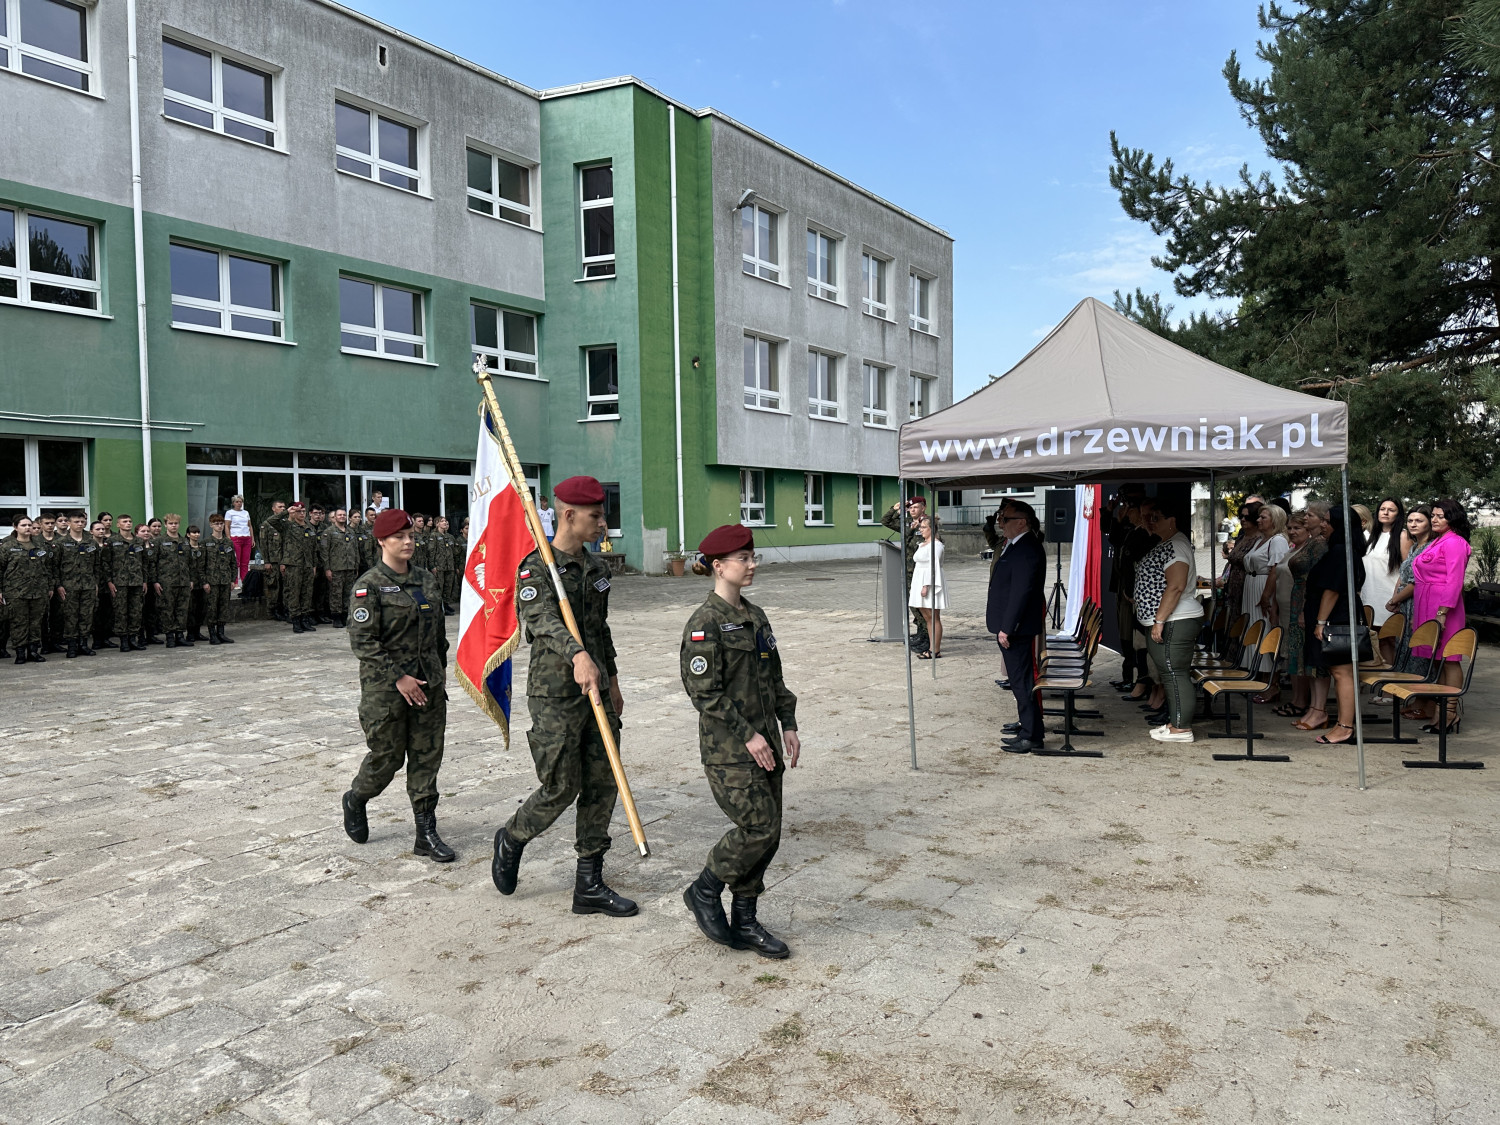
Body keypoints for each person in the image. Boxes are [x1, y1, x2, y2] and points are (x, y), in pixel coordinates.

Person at [491, 476, 636, 917]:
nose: (603, 524)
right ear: (569, 515)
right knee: (561, 786)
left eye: (603, 515)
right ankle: (513, 836)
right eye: (595, 516)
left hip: (596, 688)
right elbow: (543, 623)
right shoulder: (535, 569)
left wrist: (610, 676)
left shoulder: (597, 569)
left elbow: (600, 628)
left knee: (603, 780)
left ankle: (589, 881)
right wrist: (578, 657)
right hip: (556, 693)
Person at [680, 524, 800, 958]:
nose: (752, 565)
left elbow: (774, 677)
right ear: (718, 566)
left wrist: (787, 722)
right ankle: (705, 889)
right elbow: (703, 692)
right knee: (758, 827)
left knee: (770, 834)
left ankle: (745, 920)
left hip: (766, 742)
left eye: (753, 557)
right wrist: (748, 735)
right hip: (730, 750)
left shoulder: (755, 616)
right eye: (743, 558)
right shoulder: (704, 623)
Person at [342, 508, 454, 862]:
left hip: (427, 686)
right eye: (399, 537)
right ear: (381, 542)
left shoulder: (426, 579)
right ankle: (357, 797)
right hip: (387, 692)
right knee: (387, 759)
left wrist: (438, 672)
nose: (408, 542)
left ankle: (426, 833)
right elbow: (364, 642)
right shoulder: (369, 586)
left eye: (410, 536)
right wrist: (399, 677)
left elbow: (438, 635)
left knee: (426, 757)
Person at [1135, 497, 1203, 742]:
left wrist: (1160, 620)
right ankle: (1175, 721)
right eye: (1149, 518)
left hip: (1176, 618)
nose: (1151, 522)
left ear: (1172, 520)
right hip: (1170, 618)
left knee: (1175, 673)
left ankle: (1182, 728)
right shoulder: (1169, 543)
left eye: (1156, 518)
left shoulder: (1177, 546)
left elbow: (1175, 586)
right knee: (1169, 673)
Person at [987, 500, 1048, 753]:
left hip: (1017, 628)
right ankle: (1029, 729)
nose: (1001, 523)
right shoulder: (1017, 545)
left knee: (1021, 682)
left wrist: (1007, 627)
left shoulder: (1026, 549)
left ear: (1022, 522)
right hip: (1014, 626)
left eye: (1006, 519)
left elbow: (1021, 593)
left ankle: (1031, 735)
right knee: (1019, 681)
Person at [1303, 504, 1367, 744]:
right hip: (1338, 616)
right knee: (1341, 673)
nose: (1323, 524)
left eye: (1327, 521)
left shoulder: (1341, 551)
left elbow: (1332, 590)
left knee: (1342, 674)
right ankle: (1344, 724)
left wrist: (1320, 622)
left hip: (1338, 618)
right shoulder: (1343, 550)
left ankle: (1345, 727)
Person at [1411, 498, 1472, 731]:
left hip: (1444, 606)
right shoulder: (1439, 541)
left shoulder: (1454, 542)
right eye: (1434, 515)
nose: (1435, 519)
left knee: (1450, 659)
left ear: (1452, 518)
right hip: (1428, 602)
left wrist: (1443, 611)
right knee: (1437, 661)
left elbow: (1454, 580)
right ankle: (1439, 713)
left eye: (1440, 516)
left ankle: (1449, 713)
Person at [1385, 505, 1434, 693]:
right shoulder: (1415, 546)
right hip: (1404, 603)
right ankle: (1406, 693)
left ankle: (1419, 695)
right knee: (1403, 647)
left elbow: (1416, 583)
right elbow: (1403, 575)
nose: (1413, 524)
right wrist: (1395, 598)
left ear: (1429, 523)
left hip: (1417, 602)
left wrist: (1394, 600)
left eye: (1419, 520)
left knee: (1417, 651)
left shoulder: (1430, 547)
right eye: (1411, 520)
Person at [1, 517, 60, 663]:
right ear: (15, 527)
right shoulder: (7, 547)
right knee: (18, 622)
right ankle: (20, 652)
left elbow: (49, 568)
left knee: (36, 623)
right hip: (16, 592)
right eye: (23, 525)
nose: (27, 528)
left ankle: (33, 651)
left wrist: (50, 586)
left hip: (38, 591)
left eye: (29, 525)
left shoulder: (41, 546)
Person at [1241, 503, 1290, 668]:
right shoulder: (1262, 540)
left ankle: (1269, 678)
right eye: (1259, 517)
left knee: (1264, 629)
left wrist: (1265, 596)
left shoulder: (1277, 541)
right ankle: (1254, 670)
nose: (1258, 520)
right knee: (1252, 628)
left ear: (1274, 520)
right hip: (1252, 586)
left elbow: (1276, 570)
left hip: (1263, 587)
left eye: (1263, 517)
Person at [883, 495, 930, 654]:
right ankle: (921, 633)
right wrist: (896, 509)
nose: (911, 511)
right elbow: (886, 521)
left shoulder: (928, 523)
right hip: (910, 570)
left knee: (921, 605)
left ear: (923, 507)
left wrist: (913, 529)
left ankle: (927, 637)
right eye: (909, 508)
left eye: (915, 507)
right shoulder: (908, 523)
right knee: (913, 604)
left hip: (921, 570)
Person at [1362, 498, 1405, 660]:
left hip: (1389, 597)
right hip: (1369, 596)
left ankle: (1390, 679)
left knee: (1388, 640)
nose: (1385, 512)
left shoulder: (1402, 536)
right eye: (1382, 509)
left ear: (1398, 514)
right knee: (1372, 639)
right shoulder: (1373, 536)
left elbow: (1406, 571)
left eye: (1391, 510)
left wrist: (1396, 598)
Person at [58, 512, 100, 658]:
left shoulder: (91, 543)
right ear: (69, 523)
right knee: (71, 616)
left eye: (82, 521)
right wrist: (58, 585)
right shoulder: (61, 543)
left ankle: (83, 644)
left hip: (88, 585)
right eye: (76, 521)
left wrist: (96, 583)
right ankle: (71, 646)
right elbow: (55, 566)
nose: (80, 524)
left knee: (86, 616)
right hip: (69, 586)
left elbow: (97, 565)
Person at [105, 515, 147, 652]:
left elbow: (145, 562)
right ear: (118, 525)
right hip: (119, 582)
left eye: (130, 521)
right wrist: (109, 581)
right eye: (125, 522)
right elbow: (106, 563)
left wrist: (144, 580)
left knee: (136, 611)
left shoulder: (139, 541)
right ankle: (123, 640)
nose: (128, 524)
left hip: (136, 581)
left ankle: (132, 639)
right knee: (121, 611)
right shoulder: (111, 541)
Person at [155, 513, 196, 648]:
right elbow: (152, 563)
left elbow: (190, 562)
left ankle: (179, 635)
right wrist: (155, 581)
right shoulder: (159, 541)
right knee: (167, 609)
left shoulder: (184, 541)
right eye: (171, 523)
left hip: (183, 581)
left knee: (182, 609)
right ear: (166, 525)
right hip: (166, 582)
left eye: (176, 523)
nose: (174, 526)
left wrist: (190, 579)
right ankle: (169, 636)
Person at [279, 502, 320, 634]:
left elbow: (314, 549)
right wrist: (287, 512)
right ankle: (296, 621)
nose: (301, 514)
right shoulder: (288, 526)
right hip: (294, 565)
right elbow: (271, 522)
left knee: (307, 593)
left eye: (303, 511)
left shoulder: (310, 528)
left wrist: (314, 565)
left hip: (307, 565)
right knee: (294, 593)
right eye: (298, 511)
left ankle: (305, 620)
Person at [909, 515, 946, 659]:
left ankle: (935, 650)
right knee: (927, 617)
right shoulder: (923, 543)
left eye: (924, 527)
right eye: (921, 527)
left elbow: (933, 566)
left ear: (932, 529)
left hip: (929, 582)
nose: (921, 530)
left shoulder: (936, 545)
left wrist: (926, 585)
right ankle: (932, 647)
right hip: (920, 579)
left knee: (933, 616)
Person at [320, 508, 361, 628]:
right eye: (339, 515)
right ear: (335, 517)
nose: (342, 517)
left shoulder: (351, 532)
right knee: (336, 594)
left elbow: (355, 550)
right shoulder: (328, 532)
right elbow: (324, 552)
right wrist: (327, 569)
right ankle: (336, 617)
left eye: (344, 515)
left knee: (348, 593)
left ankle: (345, 615)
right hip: (336, 568)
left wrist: (356, 565)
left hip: (350, 567)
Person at [203, 514, 238, 644]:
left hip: (225, 580)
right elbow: (202, 564)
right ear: (211, 525)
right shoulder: (206, 543)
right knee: (212, 608)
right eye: (216, 524)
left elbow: (233, 563)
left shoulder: (228, 542)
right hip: (212, 581)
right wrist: (205, 582)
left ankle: (221, 632)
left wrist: (233, 580)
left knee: (224, 607)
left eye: (221, 523)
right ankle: (212, 634)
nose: (219, 526)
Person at [91, 519, 116, 650]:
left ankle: (106, 638)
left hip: (108, 583)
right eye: (98, 529)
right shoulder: (89, 545)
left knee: (107, 612)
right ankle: (96, 640)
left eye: (102, 529)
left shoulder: (109, 544)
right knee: (96, 613)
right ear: (91, 532)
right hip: (93, 583)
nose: (101, 531)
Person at [260, 500, 287, 621]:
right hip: (273, 560)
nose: (282, 509)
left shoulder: (285, 524)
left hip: (284, 560)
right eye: (280, 507)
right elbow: (263, 544)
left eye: (284, 507)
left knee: (284, 586)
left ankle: (282, 609)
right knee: (274, 586)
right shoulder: (267, 524)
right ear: (273, 509)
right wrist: (266, 561)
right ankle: (273, 610)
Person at [224, 495, 255, 587]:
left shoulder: (246, 512)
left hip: (246, 538)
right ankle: (235, 582)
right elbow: (227, 526)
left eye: (241, 501)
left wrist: (252, 538)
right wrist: (228, 538)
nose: (239, 503)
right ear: (233, 503)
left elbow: (249, 526)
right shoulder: (229, 513)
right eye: (237, 501)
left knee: (245, 562)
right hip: (236, 537)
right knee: (236, 561)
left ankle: (245, 581)